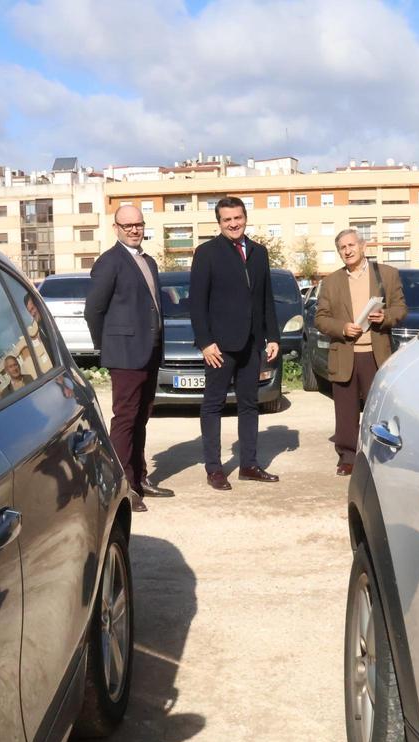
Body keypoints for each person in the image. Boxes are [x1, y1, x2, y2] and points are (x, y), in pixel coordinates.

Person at [84, 204, 173, 512]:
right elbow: (93, 310)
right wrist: (107, 346)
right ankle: (123, 488)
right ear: (116, 228)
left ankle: (139, 479)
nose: (134, 230)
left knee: (141, 417)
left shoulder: (148, 261)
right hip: (124, 354)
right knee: (125, 419)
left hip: (150, 351)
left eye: (139, 224)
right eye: (128, 225)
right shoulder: (109, 262)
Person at [190, 196, 281, 490]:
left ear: (245, 218)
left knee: (250, 404)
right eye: (227, 219)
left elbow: (266, 298)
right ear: (219, 222)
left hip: (251, 344)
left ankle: (249, 465)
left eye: (237, 218)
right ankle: (214, 469)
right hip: (219, 347)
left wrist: (273, 336)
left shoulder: (259, 252)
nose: (233, 224)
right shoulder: (206, 253)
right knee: (213, 405)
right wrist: (205, 342)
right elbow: (197, 302)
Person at [314, 229, 407, 476]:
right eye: (342, 248)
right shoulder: (331, 282)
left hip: (376, 354)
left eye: (351, 245)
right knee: (345, 410)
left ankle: (381, 454)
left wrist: (385, 316)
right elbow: (320, 318)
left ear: (363, 246)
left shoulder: (387, 274)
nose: (348, 251)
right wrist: (342, 328)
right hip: (345, 353)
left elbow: (400, 308)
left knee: (379, 408)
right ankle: (347, 456)